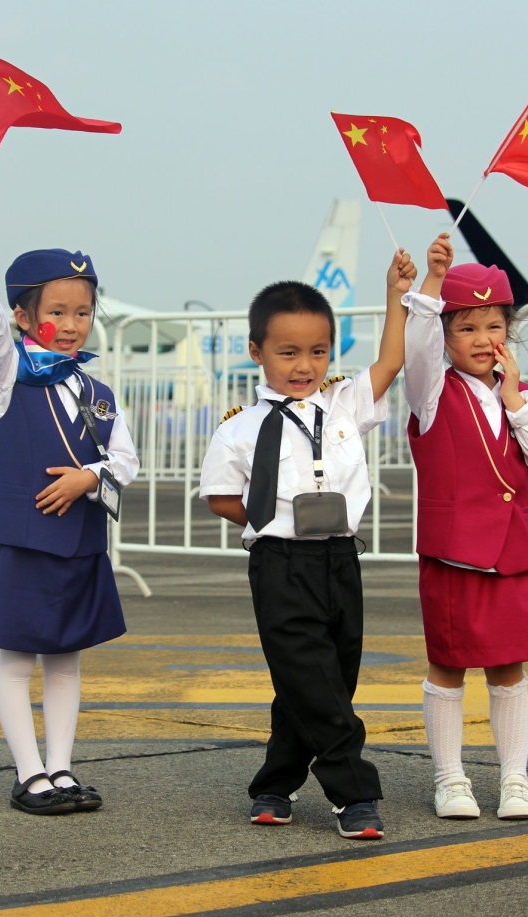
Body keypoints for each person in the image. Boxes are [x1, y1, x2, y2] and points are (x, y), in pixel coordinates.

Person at [199, 249, 417, 839]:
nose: (304, 365)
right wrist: (272, 519)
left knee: (329, 677)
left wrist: (397, 294)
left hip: (340, 558)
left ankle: (275, 783)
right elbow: (221, 498)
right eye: (288, 352)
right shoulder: (239, 427)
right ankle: (354, 792)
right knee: (312, 678)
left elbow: (392, 360)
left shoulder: (344, 403)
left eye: (317, 352)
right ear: (257, 352)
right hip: (280, 562)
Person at [0, 224, 139, 815]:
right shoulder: (6, 376)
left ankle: (61, 767)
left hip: (83, 541)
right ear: (22, 315)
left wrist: (89, 477)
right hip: (25, 541)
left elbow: (126, 462)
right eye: (57, 311)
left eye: (83, 311)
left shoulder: (100, 392)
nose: (71, 325)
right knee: (16, 658)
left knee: (67, 657)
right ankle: (28, 773)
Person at [402, 233, 528, 821]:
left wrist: (518, 398)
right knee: (448, 664)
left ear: (508, 334)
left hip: (512, 552)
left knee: (508, 666)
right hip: (453, 553)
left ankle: (515, 781)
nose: (482, 340)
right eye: (465, 327)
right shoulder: (429, 391)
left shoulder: (521, 398)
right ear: (446, 336)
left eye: (493, 326)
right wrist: (430, 282)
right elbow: (415, 347)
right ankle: (451, 778)